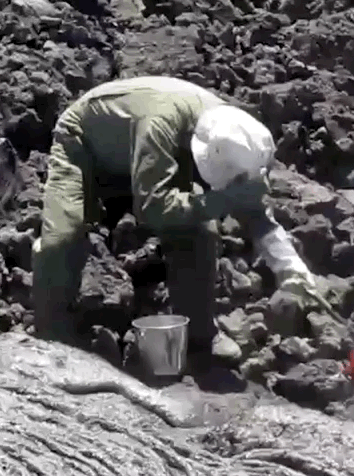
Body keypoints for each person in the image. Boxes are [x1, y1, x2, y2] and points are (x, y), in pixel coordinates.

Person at [31, 76, 317, 359]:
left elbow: (254, 209)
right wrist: (222, 199)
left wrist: (290, 268)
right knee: (62, 235)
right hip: (85, 144)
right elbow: (152, 207)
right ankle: (51, 337)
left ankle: (199, 334)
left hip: (147, 153)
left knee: (201, 230)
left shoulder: (234, 133)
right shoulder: (161, 125)